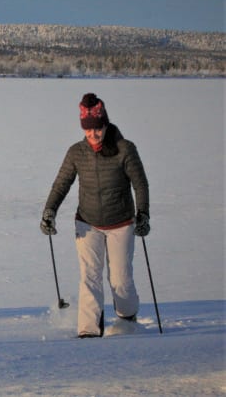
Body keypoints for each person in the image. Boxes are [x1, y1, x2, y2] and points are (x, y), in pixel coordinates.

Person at [40, 93, 150, 338]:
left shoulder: (125, 149)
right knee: (89, 277)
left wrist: (143, 214)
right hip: (87, 223)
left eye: (97, 129)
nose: (93, 135)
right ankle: (89, 332)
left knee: (121, 279)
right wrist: (50, 212)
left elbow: (140, 184)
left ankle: (127, 318)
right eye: (88, 131)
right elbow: (61, 184)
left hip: (121, 222)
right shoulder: (76, 152)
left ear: (105, 124)